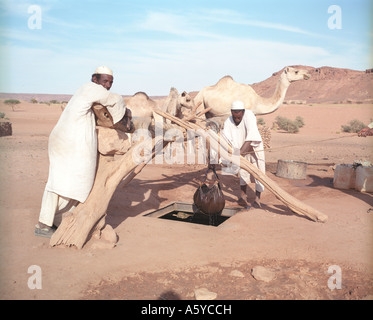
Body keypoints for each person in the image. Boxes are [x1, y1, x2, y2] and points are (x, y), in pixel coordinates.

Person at [35, 66, 127, 238]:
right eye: (105, 81)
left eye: (110, 82)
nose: (107, 85)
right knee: (61, 182)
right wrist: (124, 117)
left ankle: (55, 221)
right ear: (95, 79)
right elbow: (114, 99)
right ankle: (43, 225)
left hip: (68, 141)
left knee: (71, 181)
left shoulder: (88, 91)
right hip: (68, 142)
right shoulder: (91, 88)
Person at [222, 100, 265, 209]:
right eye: (234, 112)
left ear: (243, 111)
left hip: (253, 149)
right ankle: (243, 197)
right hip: (239, 150)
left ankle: (257, 200)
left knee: (258, 173)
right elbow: (226, 138)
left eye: (239, 112)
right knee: (243, 172)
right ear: (231, 112)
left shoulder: (249, 116)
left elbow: (251, 136)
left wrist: (239, 153)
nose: (237, 115)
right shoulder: (228, 121)